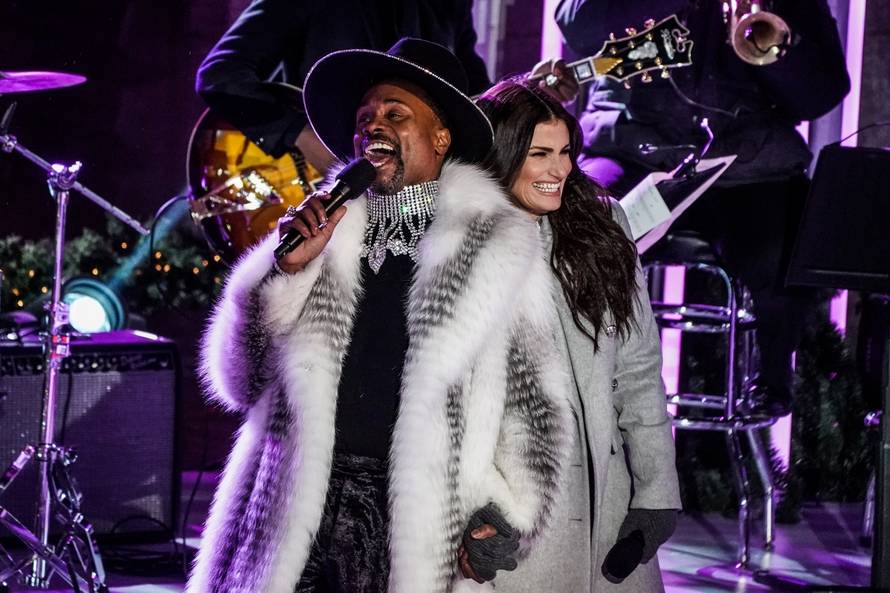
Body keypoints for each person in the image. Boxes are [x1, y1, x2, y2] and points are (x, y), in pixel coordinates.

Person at [187, 39, 573, 593]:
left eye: (396, 114)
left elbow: (536, 408)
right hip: (292, 502)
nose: (374, 126)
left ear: (441, 138)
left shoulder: (497, 247)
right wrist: (284, 273)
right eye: (365, 117)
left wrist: (506, 517)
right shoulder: (319, 230)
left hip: (406, 517)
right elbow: (241, 383)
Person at [554, 0, 850, 416]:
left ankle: (772, 381)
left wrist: (776, 42)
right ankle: (576, 380)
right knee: (579, 223)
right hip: (630, 146)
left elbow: (823, 92)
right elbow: (577, 22)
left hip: (746, 162)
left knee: (785, 239)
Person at [475, 80, 682, 593]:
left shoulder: (602, 225)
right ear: (500, 154)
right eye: (540, 154)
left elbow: (637, 368)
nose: (561, 170)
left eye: (566, 152)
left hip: (606, 507)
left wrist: (656, 491)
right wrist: (474, 512)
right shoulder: (458, 243)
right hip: (509, 516)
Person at [195, 0, 492, 171]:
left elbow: (477, 92)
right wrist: (298, 134)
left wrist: (523, 90)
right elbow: (220, 74)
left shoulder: (449, 5)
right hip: (309, 189)